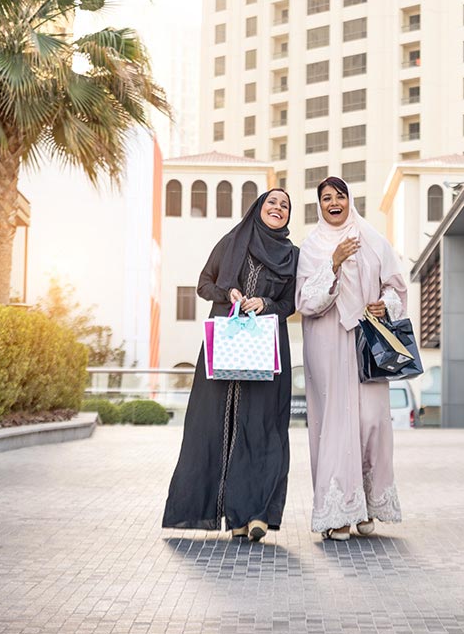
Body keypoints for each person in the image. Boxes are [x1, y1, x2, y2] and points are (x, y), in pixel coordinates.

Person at [163, 189, 298, 542]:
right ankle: (219, 512)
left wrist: (266, 302)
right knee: (215, 425)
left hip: (266, 348)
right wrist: (230, 294)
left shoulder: (291, 255)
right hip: (225, 343)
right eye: (272, 202)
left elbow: (290, 304)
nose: (278, 208)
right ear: (258, 208)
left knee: (262, 428)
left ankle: (254, 515)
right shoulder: (232, 241)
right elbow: (204, 284)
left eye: (285, 205)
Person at [296, 176, 406, 541]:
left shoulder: (372, 239)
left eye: (339, 196)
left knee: (371, 420)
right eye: (326, 198)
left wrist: (384, 304)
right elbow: (306, 302)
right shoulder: (312, 246)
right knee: (335, 423)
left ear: (349, 199)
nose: (333, 203)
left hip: (367, 341)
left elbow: (396, 287)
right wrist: (334, 261)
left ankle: (368, 504)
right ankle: (337, 513)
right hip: (327, 342)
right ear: (319, 205)